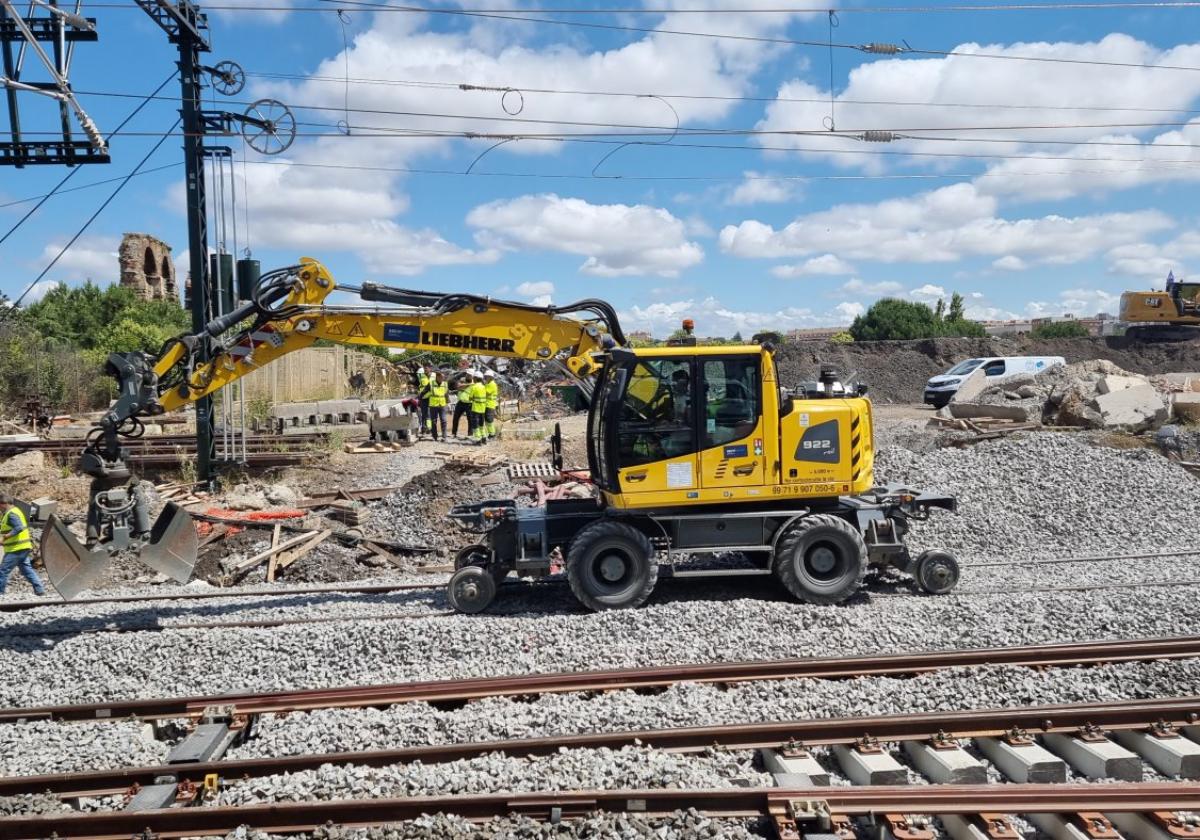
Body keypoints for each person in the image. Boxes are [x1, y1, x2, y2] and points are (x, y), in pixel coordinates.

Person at [0, 495, 44, 596]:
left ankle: (0, 595)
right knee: (27, 570)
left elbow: (19, 528)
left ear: (3, 504)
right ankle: (40, 590)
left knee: (2, 571)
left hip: (16, 548)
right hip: (22, 547)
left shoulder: (11, 514)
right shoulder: (13, 512)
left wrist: (4, 537)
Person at [468, 371, 488, 445]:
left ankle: (478, 440)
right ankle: (484, 438)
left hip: (476, 408)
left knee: (475, 425)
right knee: (481, 424)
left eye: (473, 377)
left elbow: (470, 398)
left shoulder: (474, 387)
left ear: (475, 378)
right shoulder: (484, 386)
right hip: (483, 408)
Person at [427, 371, 448, 441]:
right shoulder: (431, 383)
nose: (443, 378)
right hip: (433, 405)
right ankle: (434, 436)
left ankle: (444, 436)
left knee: (444, 420)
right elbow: (424, 392)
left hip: (442, 404)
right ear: (437, 377)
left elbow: (446, 394)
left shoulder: (445, 384)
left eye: (443, 377)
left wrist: (448, 403)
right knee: (433, 421)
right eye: (442, 377)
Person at [451, 374, 472, 439]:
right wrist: (469, 384)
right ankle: (454, 433)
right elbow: (458, 386)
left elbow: (461, 386)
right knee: (455, 418)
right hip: (460, 402)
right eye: (467, 375)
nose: (467, 376)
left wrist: (467, 385)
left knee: (470, 419)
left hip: (469, 403)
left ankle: (470, 434)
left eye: (469, 375)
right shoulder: (464, 380)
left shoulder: (475, 382)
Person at [483, 370, 500, 441]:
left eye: (486, 377)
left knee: (489, 420)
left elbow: (486, 392)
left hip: (490, 404)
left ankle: (492, 435)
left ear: (490, 377)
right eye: (485, 376)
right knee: (487, 420)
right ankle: (490, 434)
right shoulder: (488, 384)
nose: (485, 378)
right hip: (487, 404)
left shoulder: (492, 384)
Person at [416, 364, 433, 436]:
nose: (418, 375)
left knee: (429, 414)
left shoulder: (432, 377)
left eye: (427, 368)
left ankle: (429, 428)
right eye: (424, 369)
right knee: (424, 414)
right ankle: (424, 428)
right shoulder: (421, 377)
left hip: (430, 398)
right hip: (423, 398)